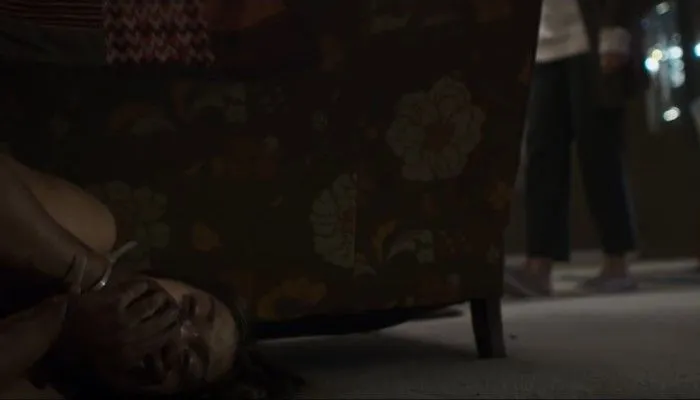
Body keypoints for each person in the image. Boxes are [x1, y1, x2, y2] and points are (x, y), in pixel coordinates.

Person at [0, 153, 303, 399]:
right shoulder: (91, 231)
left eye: (187, 362)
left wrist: (57, 325)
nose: (174, 332)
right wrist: (98, 279)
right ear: (166, 278)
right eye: (189, 308)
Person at [505, 0, 655, 297]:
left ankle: (616, 262)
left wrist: (615, 32)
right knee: (541, 153)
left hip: (591, 39)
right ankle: (539, 265)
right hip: (543, 46)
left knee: (599, 151)